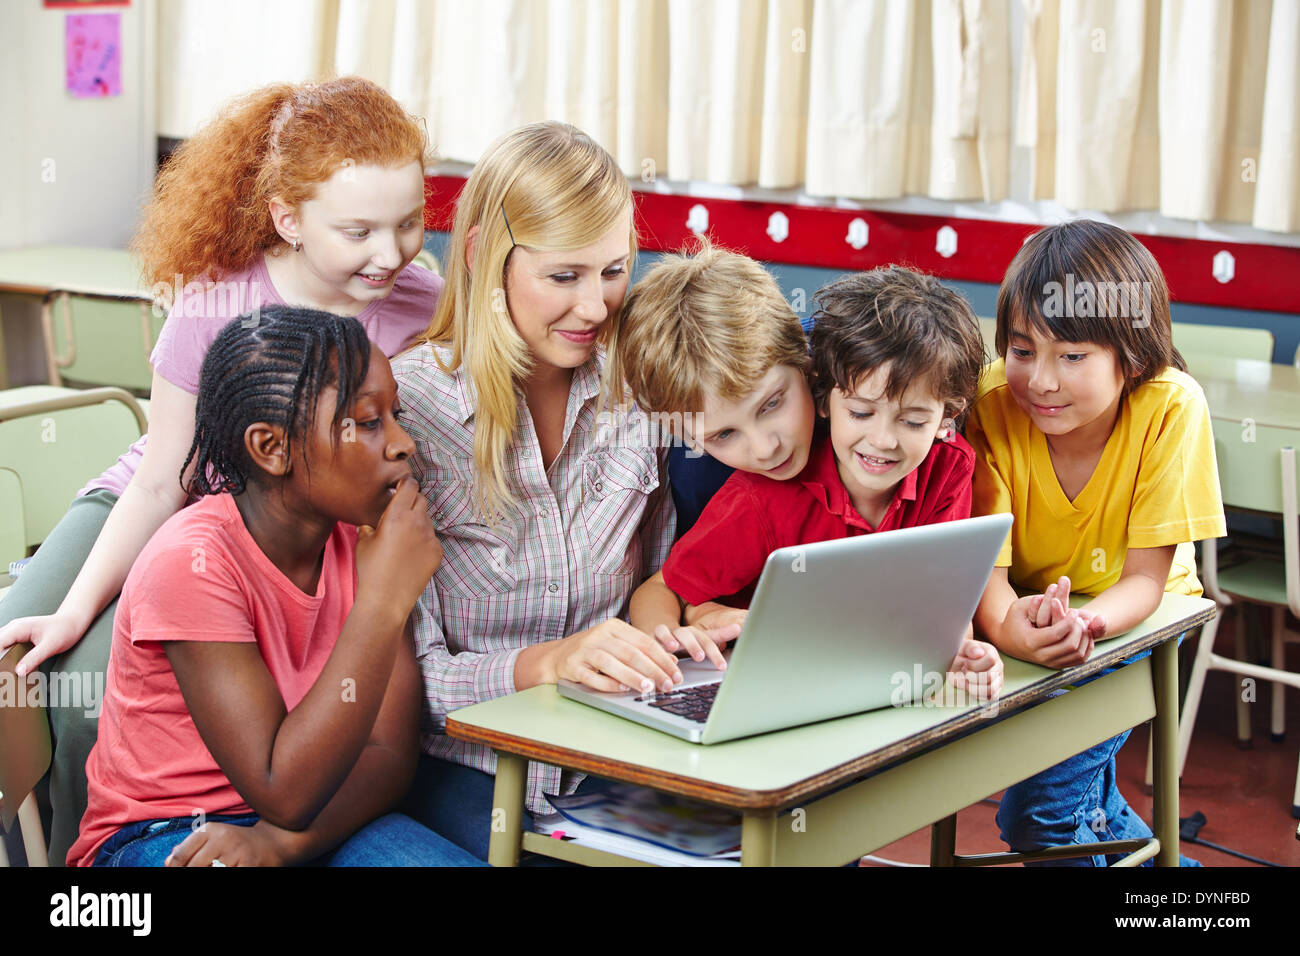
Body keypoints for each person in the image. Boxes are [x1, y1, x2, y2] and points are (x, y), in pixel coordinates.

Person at [0, 76, 438, 863]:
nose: (391, 252)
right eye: (360, 230)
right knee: (53, 682)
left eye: (409, 224)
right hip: (166, 501)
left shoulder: (418, 301)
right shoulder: (213, 302)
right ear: (288, 219)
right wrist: (74, 611)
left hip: (294, 526)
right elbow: (163, 475)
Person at [392, 121, 726, 861]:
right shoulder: (407, 413)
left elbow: (655, 580)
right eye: (564, 276)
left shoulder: (637, 394)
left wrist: (680, 627)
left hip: (620, 761)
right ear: (485, 257)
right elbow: (404, 685)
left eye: (613, 271)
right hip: (466, 767)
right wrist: (548, 662)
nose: (596, 307)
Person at [69, 308, 482, 867]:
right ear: (272, 447)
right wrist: (383, 600)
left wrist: (281, 845)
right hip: (165, 833)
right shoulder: (191, 563)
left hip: (322, 815)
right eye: (366, 421)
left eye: (395, 415)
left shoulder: (367, 544)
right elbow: (280, 787)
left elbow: (387, 754)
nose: (403, 443)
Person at [624, 253, 1002, 697]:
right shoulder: (750, 495)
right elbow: (669, 589)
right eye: (724, 435)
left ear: (810, 371)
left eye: (772, 404)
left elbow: (942, 602)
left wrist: (962, 654)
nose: (766, 449)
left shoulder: (935, 457)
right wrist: (682, 629)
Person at [968, 219, 1226, 865]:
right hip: (1025, 614)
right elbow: (987, 568)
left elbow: (1144, 580)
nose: (1041, 381)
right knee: (1082, 810)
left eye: (1073, 356)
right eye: (1022, 351)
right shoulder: (991, 400)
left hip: (1136, 618)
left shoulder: (1171, 405)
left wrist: (1083, 623)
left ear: (1132, 355)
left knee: (1042, 817)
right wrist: (1007, 626)